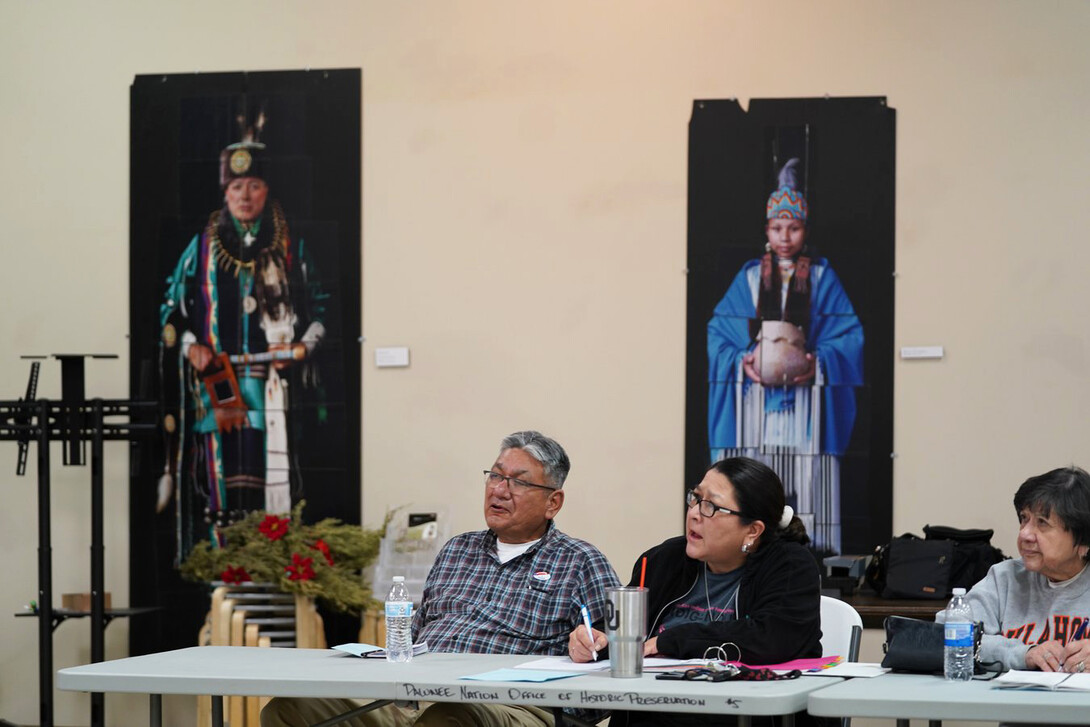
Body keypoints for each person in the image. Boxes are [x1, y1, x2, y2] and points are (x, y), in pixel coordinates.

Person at [261, 430, 621, 727]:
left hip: (510, 707)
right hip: (415, 698)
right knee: (289, 709)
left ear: (553, 503)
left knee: (448, 719)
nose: (499, 489)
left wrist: (587, 660)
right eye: (495, 475)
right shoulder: (456, 550)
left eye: (518, 482)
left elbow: (614, 663)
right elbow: (414, 639)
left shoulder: (579, 561)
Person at [158, 115, 327, 555]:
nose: (244, 196)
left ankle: (274, 561)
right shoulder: (199, 249)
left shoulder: (292, 248)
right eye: (236, 188)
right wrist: (192, 345)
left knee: (274, 480)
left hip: (275, 387)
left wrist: (303, 346)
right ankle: (221, 566)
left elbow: (322, 312)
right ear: (224, 192)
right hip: (219, 382)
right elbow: (171, 311)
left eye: (252, 185)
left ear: (266, 190)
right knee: (220, 478)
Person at [569, 457, 823, 727]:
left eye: (711, 506)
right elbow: (626, 634)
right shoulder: (664, 559)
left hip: (740, 717)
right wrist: (596, 640)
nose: (694, 513)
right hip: (650, 713)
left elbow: (771, 638)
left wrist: (670, 641)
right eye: (696, 498)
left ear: (752, 530)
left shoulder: (789, 565)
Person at [707, 158, 864, 553]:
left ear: (804, 231)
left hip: (806, 403)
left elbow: (848, 335)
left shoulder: (823, 277)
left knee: (810, 479)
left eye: (793, 228)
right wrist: (743, 360)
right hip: (755, 404)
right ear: (766, 231)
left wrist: (817, 362)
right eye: (777, 228)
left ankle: (814, 553)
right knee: (754, 480)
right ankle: (745, 548)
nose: (785, 237)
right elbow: (718, 332)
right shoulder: (748, 277)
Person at [960, 466, 1090, 673]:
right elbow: (947, 634)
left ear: (1083, 541)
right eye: (1024, 519)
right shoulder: (1005, 578)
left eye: (1043, 523)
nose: (1025, 534)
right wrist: (1021, 654)